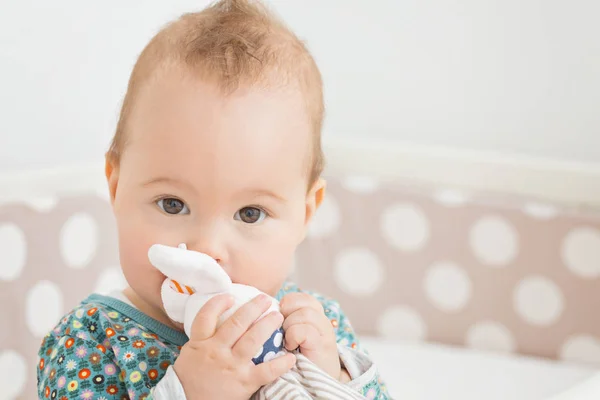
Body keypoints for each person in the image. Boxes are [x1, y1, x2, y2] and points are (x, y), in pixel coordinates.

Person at [37, 1, 389, 398]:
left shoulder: (312, 327)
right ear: (116, 187)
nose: (207, 249)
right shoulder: (89, 340)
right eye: (172, 204)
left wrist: (330, 377)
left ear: (305, 214)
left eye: (250, 213)